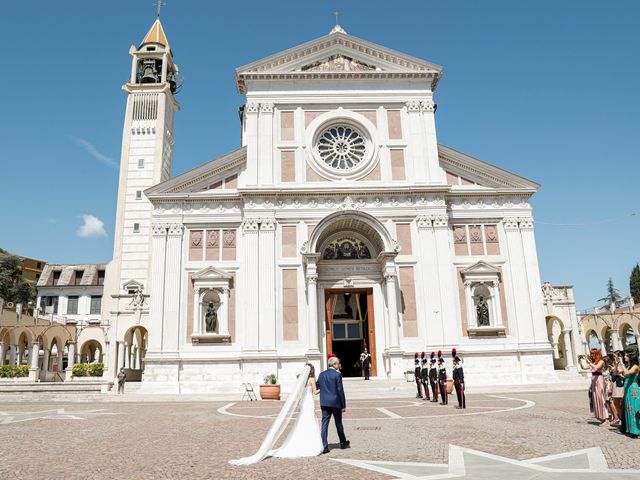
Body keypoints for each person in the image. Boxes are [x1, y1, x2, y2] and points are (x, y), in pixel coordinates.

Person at [273, 363, 323, 458]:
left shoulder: (302, 380)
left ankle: (300, 440)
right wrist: (323, 387)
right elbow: (315, 392)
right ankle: (310, 443)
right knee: (310, 420)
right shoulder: (312, 379)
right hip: (309, 402)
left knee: (302, 420)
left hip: (303, 402)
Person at [317, 356, 349, 453]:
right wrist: (343, 405)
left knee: (324, 424)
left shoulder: (321, 374)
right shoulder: (337, 375)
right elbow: (340, 390)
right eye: (338, 363)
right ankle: (343, 442)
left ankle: (324, 445)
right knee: (338, 423)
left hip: (324, 402)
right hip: (335, 402)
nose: (339, 365)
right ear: (334, 364)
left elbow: (317, 384)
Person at [617, 349, 640, 437]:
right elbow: (617, 372)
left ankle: (638, 431)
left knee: (634, 409)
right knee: (629, 409)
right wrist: (617, 363)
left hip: (633, 390)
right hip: (627, 389)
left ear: (631, 356)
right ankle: (632, 430)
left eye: (626, 355)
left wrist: (622, 364)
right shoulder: (629, 365)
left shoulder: (635, 366)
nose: (624, 357)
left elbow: (627, 373)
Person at [584, 349, 608, 426]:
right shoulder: (593, 362)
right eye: (591, 354)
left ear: (597, 354)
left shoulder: (601, 361)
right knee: (596, 398)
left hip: (599, 379)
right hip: (594, 380)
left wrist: (589, 362)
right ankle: (601, 417)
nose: (592, 355)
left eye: (593, 354)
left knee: (601, 398)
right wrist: (580, 361)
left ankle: (606, 418)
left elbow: (597, 368)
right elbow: (584, 367)